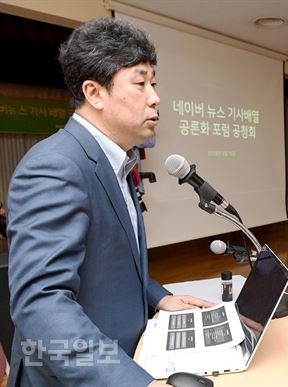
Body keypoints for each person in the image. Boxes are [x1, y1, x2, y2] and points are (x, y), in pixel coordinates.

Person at [6, 18, 213, 387]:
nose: (155, 97)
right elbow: (41, 304)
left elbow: (110, 261)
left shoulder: (115, 160)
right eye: (140, 83)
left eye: (154, 83)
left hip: (124, 355)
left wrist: (158, 297)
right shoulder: (55, 165)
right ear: (94, 92)